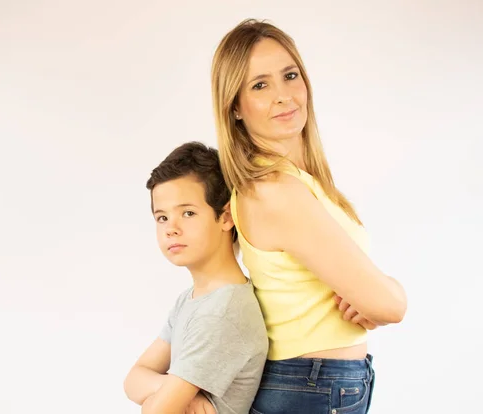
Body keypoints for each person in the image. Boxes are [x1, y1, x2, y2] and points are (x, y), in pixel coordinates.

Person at [210, 19, 408, 414]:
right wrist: (388, 292)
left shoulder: (301, 181)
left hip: (318, 384)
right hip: (309, 386)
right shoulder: (275, 191)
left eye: (290, 75)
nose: (284, 96)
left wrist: (372, 295)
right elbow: (391, 306)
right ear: (234, 106)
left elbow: (374, 300)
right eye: (260, 85)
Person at [123, 142, 269, 414]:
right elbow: (133, 379)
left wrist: (155, 397)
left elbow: (155, 411)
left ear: (225, 217)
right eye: (162, 217)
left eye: (188, 213)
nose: (171, 229)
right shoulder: (190, 300)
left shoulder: (222, 312)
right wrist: (167, 390)